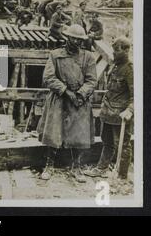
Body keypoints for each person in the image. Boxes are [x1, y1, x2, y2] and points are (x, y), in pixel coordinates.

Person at [37, 24, 97, 182]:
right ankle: (49, 165)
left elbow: (92, 81)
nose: (76, 42)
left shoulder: (88, 57)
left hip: (79, 100)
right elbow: (48, 77)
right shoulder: (55, 55)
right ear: (67, 38)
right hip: (59, 98)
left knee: (78, 133)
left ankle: (76, 167)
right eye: (73, 38)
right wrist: (65, 91)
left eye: (79, 40)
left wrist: (80, 94)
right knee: (53, 131)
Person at [84, 37, 133, 180]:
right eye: (113, 51)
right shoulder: (115, 66)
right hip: (107, 112)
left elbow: (136, 94)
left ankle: (122, 175)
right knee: (107, 142)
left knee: (123, 145)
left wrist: (130, 110)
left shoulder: (130, 69)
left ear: (126, 50)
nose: (113, 54)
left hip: (120, 115)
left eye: (116, 51)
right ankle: (101, 168)